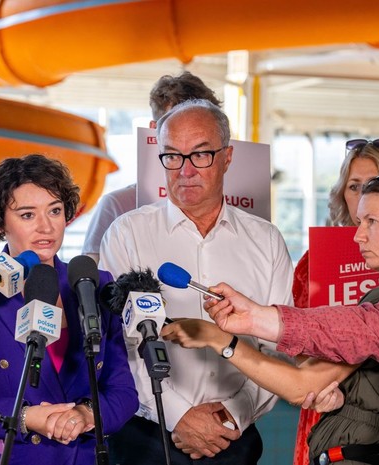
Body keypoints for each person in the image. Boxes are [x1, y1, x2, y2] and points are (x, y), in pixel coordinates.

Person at [165, 171, 379, 465]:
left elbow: (302, 386)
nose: (358, 235)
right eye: (359, 221)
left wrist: (220, 339)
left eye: (372, 221)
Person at [99, 99, 293, 464]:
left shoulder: (266, 241)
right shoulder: (127, 234)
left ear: (227, 157)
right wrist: (178, 416)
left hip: (234, 438)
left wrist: (231, 414)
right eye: (172, 156)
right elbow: (116, 344)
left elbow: (278, 346)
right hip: (144, 436)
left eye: (200, 155)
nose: (185, 170)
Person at [0, 154, 138, 465]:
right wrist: (23, 417)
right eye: (27, 215)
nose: (46, 227)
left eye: (55, 211)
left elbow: (123, 392)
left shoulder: (94, 284)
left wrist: (86, 414)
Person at [288, 140, 379, 465]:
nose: (363, 195)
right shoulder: (312, 263)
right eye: (354, 186)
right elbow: (297, 346)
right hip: (330, 405)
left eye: (374, 184)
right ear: (341, 194)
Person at [82, 71, 221, 263]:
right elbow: (91, 276)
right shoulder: (117, 206)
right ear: (154, 131)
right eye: (177, 125)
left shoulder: (238, 211)